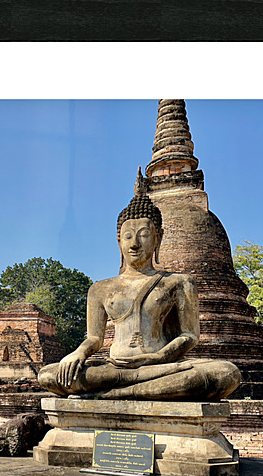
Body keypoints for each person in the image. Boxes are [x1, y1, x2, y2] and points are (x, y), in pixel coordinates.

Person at [38, 171, 240, 401]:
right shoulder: (100, 289)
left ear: (158, 238)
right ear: (118, 241)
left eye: (143, 235)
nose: (134, 244)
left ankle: (110, 395)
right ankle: (129, 390)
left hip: (160, 367)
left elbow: (189, 336)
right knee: (48, 375)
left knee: (225, 373)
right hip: (114, 368)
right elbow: (95, 339)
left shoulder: (178, 283)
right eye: (128, 237)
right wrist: (78, 353)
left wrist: (157, 358)